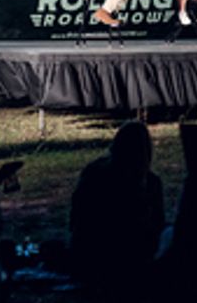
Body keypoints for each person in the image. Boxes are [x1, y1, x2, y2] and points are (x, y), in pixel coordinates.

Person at [69, 120, 165, 290]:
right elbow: (157, 227)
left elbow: (76, 219)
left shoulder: (94, 173)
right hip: (126, 260)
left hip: (89, 258)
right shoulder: (150, 183)